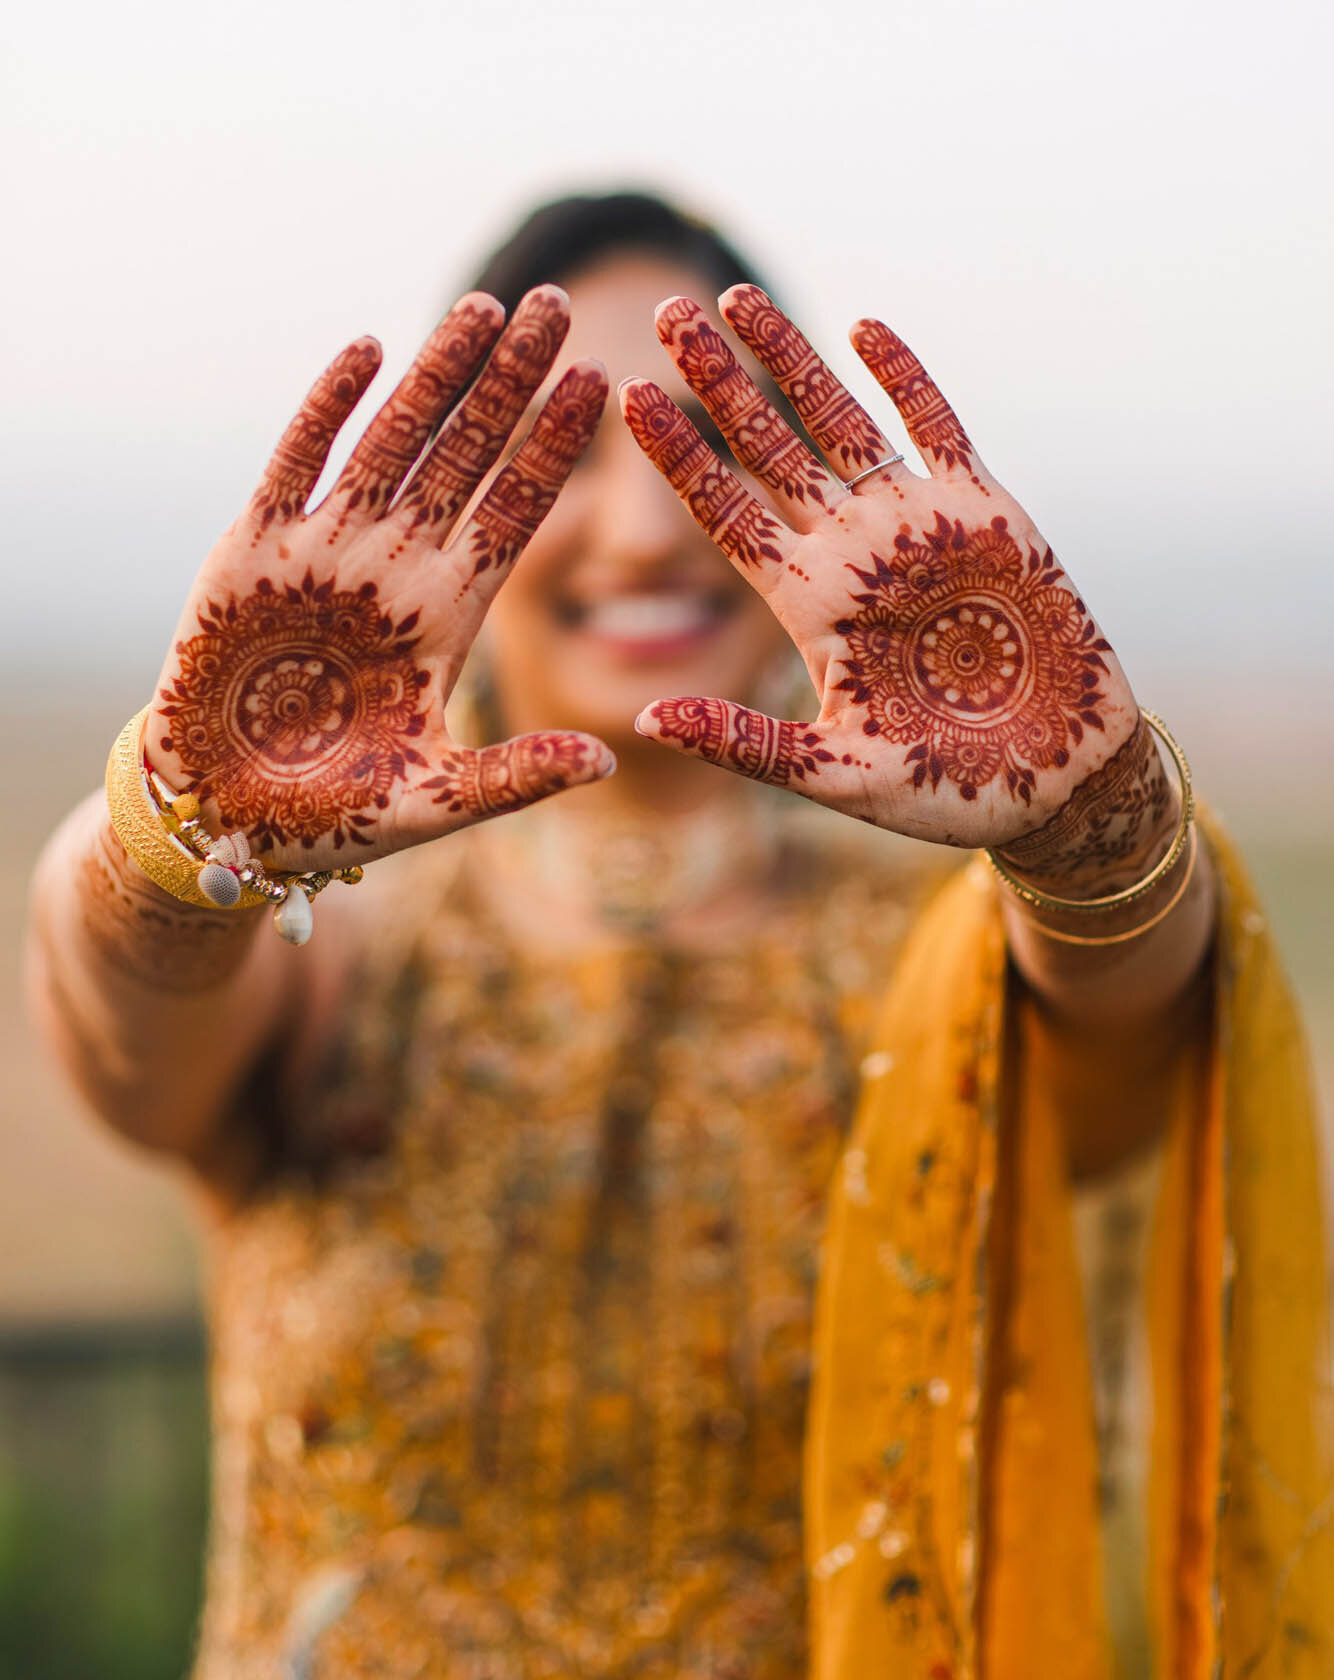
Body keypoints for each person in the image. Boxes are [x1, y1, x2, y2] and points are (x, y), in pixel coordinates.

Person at [26, 192, 1330, 1678]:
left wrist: (1090, 825)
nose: (644, 534)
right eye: (566, 451)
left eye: (691, 447)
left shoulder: (940, 952)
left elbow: (1137, 1024)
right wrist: (177, 829)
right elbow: (121, 1022)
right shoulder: (334, 944)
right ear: (454, 503)